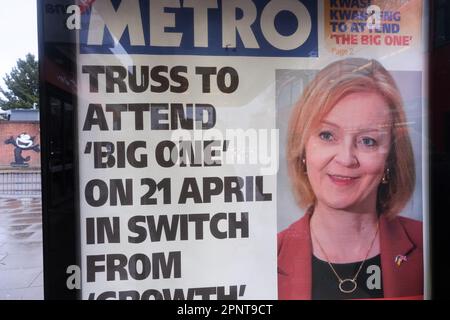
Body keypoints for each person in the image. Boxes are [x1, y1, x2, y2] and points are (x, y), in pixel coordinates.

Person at [278, 58, 423, 300]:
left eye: (368, 141)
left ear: (390, 158)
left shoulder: (428, 245)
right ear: (303, 149)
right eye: (327, 135)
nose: (346, 159)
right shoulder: (267, 255)